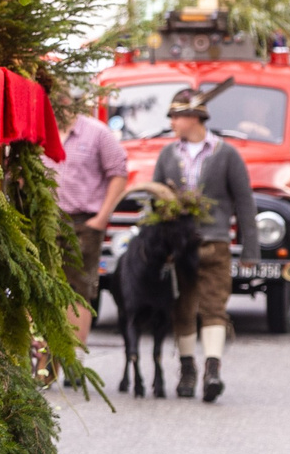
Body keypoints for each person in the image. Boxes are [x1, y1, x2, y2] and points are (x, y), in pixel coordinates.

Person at [151, 89, 256, 403]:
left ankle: (212, 370)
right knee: (183, 306)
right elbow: (155, 198)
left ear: (194, 117)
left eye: (176, 116)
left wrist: (250, 248)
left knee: (214, 306)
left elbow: (244, 202)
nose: (172, 122)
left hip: (215, 243)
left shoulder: (227, 154)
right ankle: (187, 369)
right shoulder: (167, 155)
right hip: (179, 247)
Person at [48, 83, 130, 350]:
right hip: (44, 221)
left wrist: (102, 217)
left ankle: (74, 358)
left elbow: (119, 172)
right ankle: (44, 359)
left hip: (83, 222)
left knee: (79, 290)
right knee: (42, 286)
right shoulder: (41, 131)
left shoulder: (97, 132)